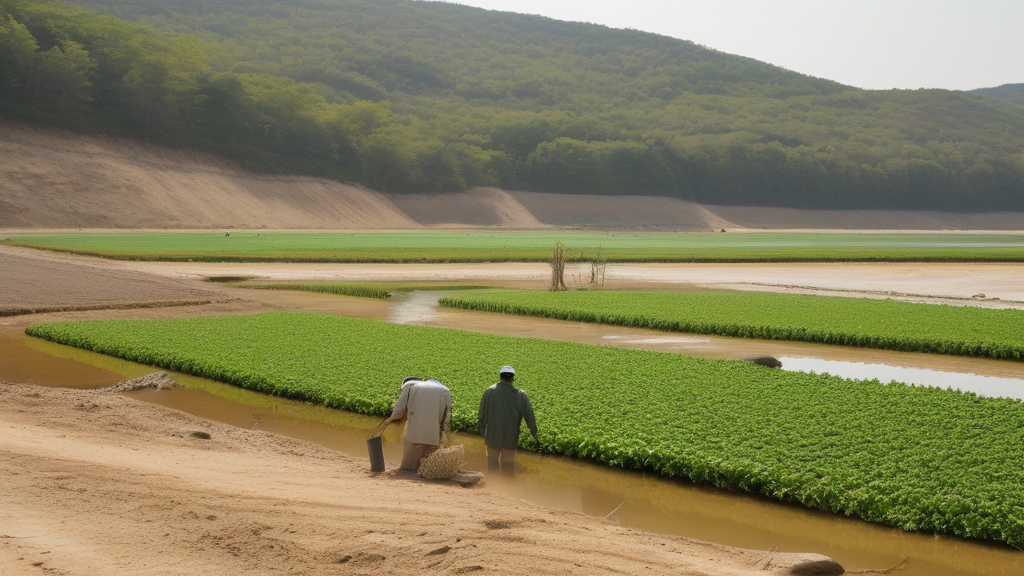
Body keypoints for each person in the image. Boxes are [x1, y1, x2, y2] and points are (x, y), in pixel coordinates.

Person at [478, 366, 537, 474]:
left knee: (492, 465)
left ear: (500, 377)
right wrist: (534, 432)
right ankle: (508, 488)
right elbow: (529, 415)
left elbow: (482, 412)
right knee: (509, 468)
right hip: (511, 437)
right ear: (512, 378)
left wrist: (482, 430)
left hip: (493, 436)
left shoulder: (489, 391)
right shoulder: (521, 394)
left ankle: (492, 488)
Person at [387, 376, 451, 471]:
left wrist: (390, 420)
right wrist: (444, 432)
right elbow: (447, 416)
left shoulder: (411, 388)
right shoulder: (445, 390)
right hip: (434, 437)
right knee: (428, 466)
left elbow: (398, 411)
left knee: (408, 468)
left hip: (414, 435)